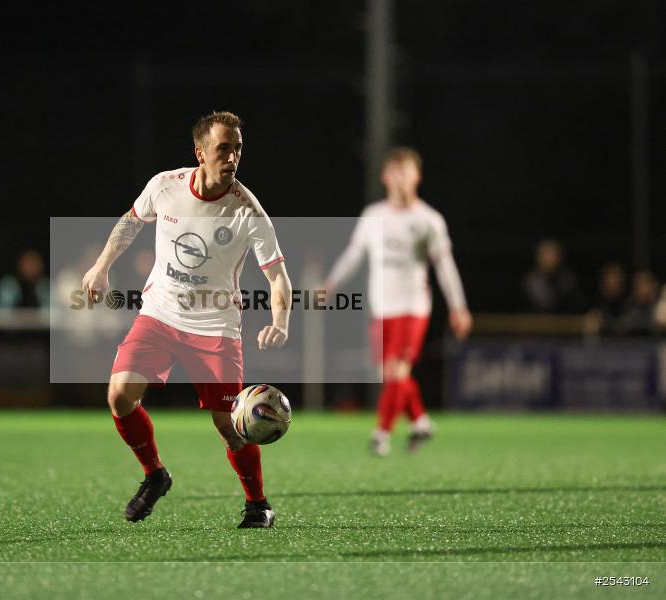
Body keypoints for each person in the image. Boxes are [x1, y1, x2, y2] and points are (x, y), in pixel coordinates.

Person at [81, 111, 292, 528]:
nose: (232, 158)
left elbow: (278, 276)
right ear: (200, 153)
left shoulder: (248, 211)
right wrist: (101, 266)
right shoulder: (165, 186)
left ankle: (258, 504)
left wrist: (281, 321)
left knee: (231, 425)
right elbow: (130, 223)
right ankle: (155, 474)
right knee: (120, 395)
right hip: (159, 314)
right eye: (223, 149)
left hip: (215, 327)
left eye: (237, 149)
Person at [324, 147, 472, 456]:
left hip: (413, 306)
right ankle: (421, 421)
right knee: (394, 374)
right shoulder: (373, 216)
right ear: (385, 177)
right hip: (382, 309)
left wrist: (458, 307)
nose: (401, 179)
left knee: (396, 371)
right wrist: (332, 282)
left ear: (417, 176)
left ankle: (381, 433)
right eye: (395, 172)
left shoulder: (428, 220)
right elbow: (354, 254)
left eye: (406, 172)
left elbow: (445, 267)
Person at [521, 239, 584, 314]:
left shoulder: (568, 281)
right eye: (547, 254)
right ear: (539, 257)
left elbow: (576, 307)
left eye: (554, 255)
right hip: (533, 323)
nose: (551, 259)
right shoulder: (529, 282)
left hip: (563, 323)